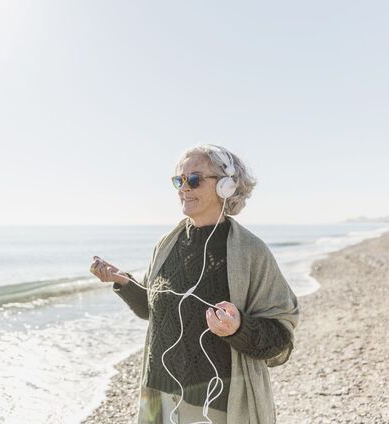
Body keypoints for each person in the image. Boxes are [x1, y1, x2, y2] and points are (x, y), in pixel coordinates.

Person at [90, 144, 299, 424]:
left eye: (195, 179)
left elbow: (280, 337)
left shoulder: (250, 251)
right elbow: (153, 312)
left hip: (217, 402)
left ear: (226, 186)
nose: (184, 188)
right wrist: (124, 283)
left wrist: (238, 328)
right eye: (179, 180)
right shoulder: (166, 244)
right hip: (158, 392)